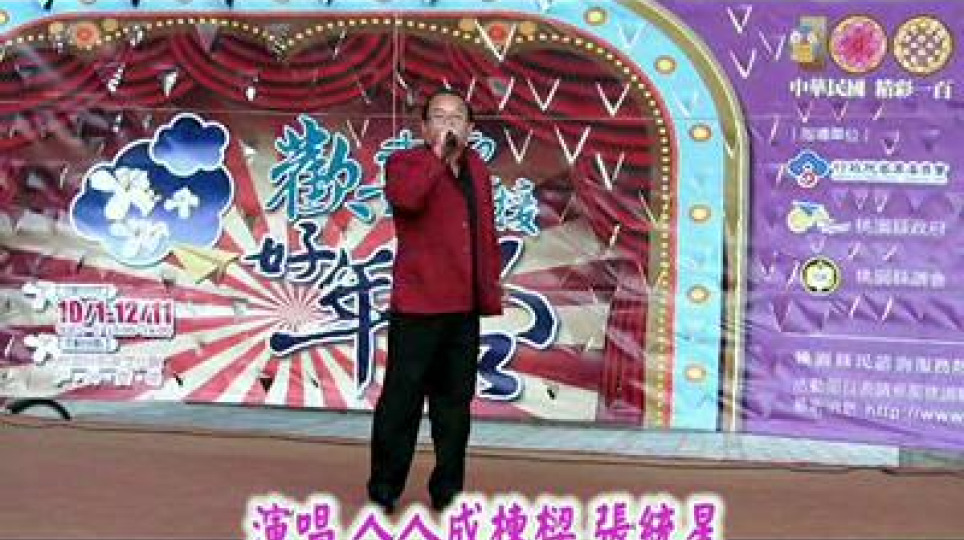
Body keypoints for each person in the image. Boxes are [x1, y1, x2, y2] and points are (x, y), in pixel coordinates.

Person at [367, 89, 503, 514]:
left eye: (457, 117)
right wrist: (438, 157)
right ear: (424, 128)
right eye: (439, 117)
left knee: (454, 406)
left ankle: (447, 491)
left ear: (470, 128)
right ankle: (384, 489)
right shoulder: (405, 162)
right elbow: (407, 199)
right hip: (419, 305)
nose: (449, 124)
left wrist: (488, 288)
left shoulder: (477, 168)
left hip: (463, 306)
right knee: (401, 402)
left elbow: (483, 231)